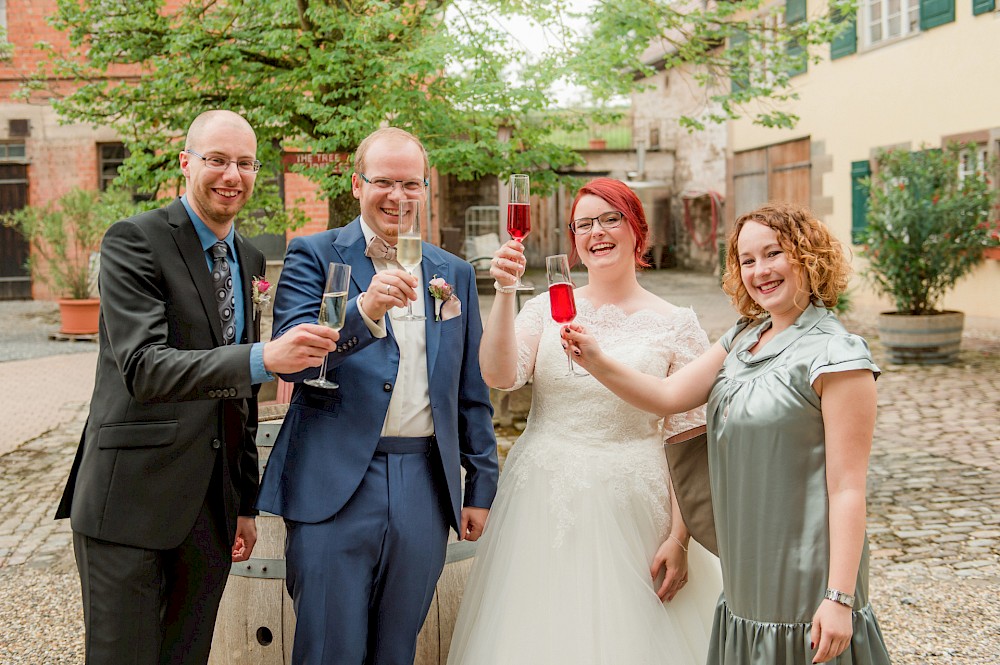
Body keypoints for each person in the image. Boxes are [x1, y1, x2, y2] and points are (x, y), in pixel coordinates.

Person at [55, 110, 341, 664]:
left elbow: (237, 399)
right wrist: (263, 357)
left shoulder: (251, 257)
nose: (230, 174)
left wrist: (244, 502)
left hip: (210, 512)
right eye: (216, 159)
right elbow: (144, 368)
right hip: (130, 503)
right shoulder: (133, 241)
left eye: (244, 162)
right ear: (186, 163)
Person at [563, 202, 893, 665]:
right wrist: (595, 360)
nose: (761, 271)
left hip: (807, 572)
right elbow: (665, 395)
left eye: (774, 253)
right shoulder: (742, 338)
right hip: (743, 568)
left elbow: (847, 489)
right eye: (747, 260)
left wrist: (838, 598)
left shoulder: (839, 356)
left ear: (807, 255)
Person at [447, 177, 723, 664]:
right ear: (573, 240)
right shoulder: (546, 309)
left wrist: (681, 539)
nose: (597, 232)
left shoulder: (676, 323)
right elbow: (499, 375)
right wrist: (505, 292)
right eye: (583, 224)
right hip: (542, 501)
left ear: (636, 228)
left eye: (610, 218)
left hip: (636, 505)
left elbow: (690, 439)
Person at [255, 127, 499, 665]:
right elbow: (291, 358)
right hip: (333, 481)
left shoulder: (450, 273)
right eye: (384, 182)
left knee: (397, 648)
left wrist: (480, 485)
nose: (398, 196)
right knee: (327, 649)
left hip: (423, 483)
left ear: (425, 188)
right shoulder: (313, 255)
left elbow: (470, 389)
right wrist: (363, 312)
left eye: (411, 184)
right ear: (356, 184)